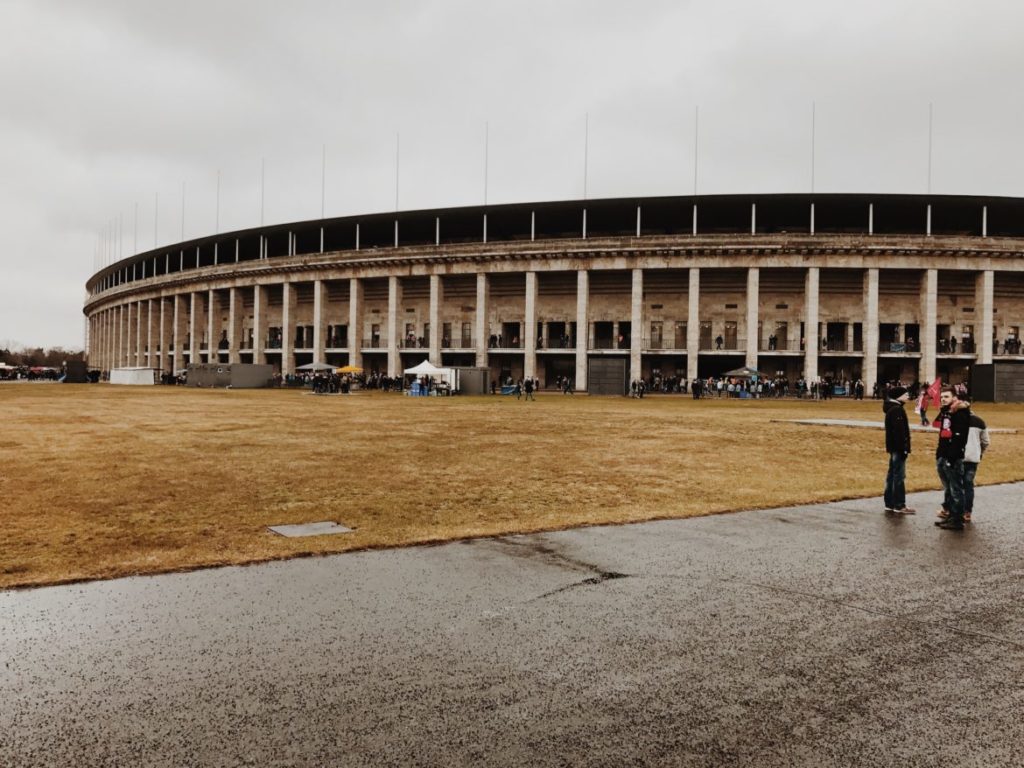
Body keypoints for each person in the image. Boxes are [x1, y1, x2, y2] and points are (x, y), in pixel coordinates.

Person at [933, 386, 971, 531]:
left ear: (954, 397)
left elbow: (959, 438)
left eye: (946, 397)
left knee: (956, 488)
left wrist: (952, 457)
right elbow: (943, 434)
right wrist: (939, 454)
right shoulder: (946, 412)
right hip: (943, 454)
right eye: (942, 397)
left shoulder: (960, 413)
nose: (943, 399)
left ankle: (957, 519)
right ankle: (950, 514)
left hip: (953, 457)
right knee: (948, 488)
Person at [882, 386, 915, 515]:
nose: (908, 396)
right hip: (898, 448)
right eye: (905, 394)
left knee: (891, 475)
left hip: (893, 447)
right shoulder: (897, 410)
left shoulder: (891, 408)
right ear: (898, 396)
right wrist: (904, 448)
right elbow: (899, 432)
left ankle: (889, 503)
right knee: (899, 476)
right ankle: (899, 504)